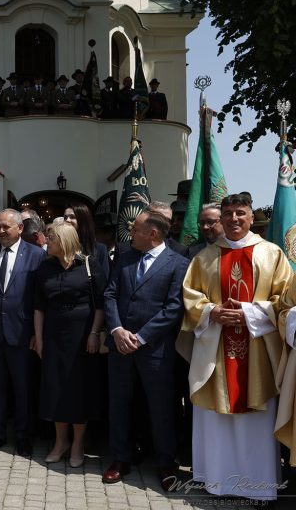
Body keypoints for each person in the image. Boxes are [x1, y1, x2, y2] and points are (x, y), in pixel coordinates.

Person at [182, 193, 291, 501]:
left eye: (239, 213)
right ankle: (218, 482)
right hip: (216, 351)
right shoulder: (204, 257)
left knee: (255, 421)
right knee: (217, 418)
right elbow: (191, 298)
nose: (233, 219)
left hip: (257, 353)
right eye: (227, 213)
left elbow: (284, 302)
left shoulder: (272, 254)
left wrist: (247, 312)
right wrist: (212, 312)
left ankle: (260, 487)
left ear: (251, 216)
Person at [102, 210, 188, 490]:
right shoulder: (125, 258)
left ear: (152, 234)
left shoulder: (179, 264)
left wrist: (140, 337)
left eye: (136, 229)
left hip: (155, 351)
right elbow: (110, 294)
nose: (131, 234)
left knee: (161, 407)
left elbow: (174, 308)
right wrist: (116, 330)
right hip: (119, 346)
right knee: (119, 404)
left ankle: (165, 464)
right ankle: (120, 458)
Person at [33, 223, 104, 467]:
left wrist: (94, 333)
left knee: (79, 391)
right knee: (55, 389)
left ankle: (77, 444)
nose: (46, 241)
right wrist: (39, 338)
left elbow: (100, 304)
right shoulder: (44, 267)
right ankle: (60, 441)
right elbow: (38, 307)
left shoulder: (88, 265)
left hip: (82, 336)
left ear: (64, 240)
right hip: (53, 337)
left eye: (51, 238)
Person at [0, 209, 46, 457]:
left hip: (22, 335)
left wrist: (36, 333)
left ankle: (23, 437)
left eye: (6, 227)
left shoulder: (37, 256)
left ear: (20, 228)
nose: (1, 231)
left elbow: (39, 298)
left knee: (23, 390)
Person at [63, 205, 110, 281]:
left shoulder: (100, 249)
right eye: (65, 217)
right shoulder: (60, 246)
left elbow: (104, 281)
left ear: (83, 220)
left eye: (72, 217)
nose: (67, 220)